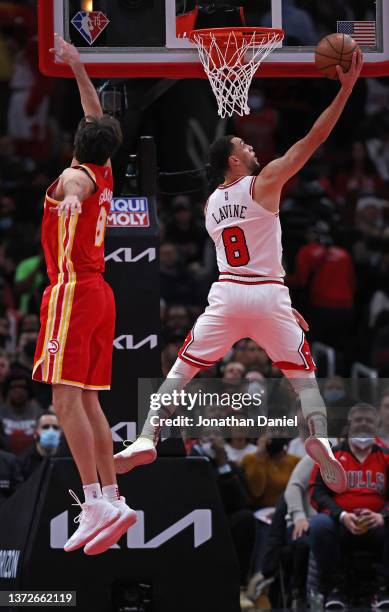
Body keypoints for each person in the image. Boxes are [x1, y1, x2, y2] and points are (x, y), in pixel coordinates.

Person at [115, 50, 364, 494]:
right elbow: (313, 138)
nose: (249, 146)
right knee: (304, 377)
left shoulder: (211, 203)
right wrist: (345, 90)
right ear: (232, 160)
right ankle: (321, 436)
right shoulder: (264, 182)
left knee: (179, 373)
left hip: (229, 293)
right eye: (242, 146)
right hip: (269, 294)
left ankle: (145, 437)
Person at [31, 35, 136, 555]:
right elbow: (94, 114)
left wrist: (70, 201)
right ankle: (113, 498)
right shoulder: (105, 169)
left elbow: (73, 185)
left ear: (77, 143)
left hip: (72, 292)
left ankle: (92, 498)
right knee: (90, 400)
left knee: (63, 399)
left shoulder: (77, 175)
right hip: (100, 294)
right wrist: (78, 67)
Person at [310, 403, 389, 608]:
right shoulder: (331, 455)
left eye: (369, 420)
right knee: (319, 524)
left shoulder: (386, 456)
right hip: (341, 524)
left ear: (377, 425)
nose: (363, 424)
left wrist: (383, 516)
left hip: (377, 524)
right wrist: (342, 515)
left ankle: (383, 590)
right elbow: (318, 492)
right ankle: (335, 591)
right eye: (358, 419)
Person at [17, 413, 61, 480]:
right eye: (45, 427)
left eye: (55, 427)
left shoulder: (68, 459)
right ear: (35, 433)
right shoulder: (23, 462)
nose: (51, 431)